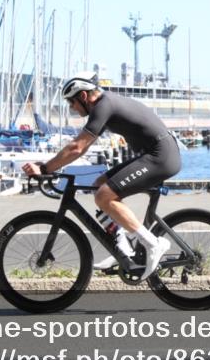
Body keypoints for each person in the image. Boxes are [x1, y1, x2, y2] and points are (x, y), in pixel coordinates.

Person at [21, 73, 181, 277]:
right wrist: (51, 166)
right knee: (100, 185)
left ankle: (152, 244)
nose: (72, 108)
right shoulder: (105, 106)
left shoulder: (104, 105)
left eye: (72, 102)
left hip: (161, 156)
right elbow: (83, 146)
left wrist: (45, 169)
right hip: (155, 153)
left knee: (103, 196)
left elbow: (77, 148)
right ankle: (123, 247)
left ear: (84, 97)